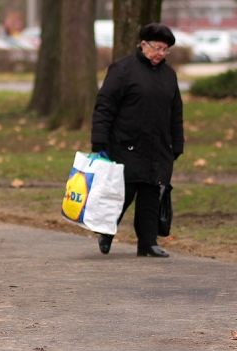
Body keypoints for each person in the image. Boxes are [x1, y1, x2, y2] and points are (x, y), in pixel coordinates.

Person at [90, 23, 184, 258]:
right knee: (123, 193)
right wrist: (99, 139)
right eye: (157, 48)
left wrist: (177, 143)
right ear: (144, 45)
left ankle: (148, 244)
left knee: (152, 193)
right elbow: (105, 106)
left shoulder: (169, 75)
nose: (161, 54)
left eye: (165, 50)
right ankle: (107, 232)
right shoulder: (122, 70)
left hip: (158, 146)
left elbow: (176, 112)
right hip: (126, 143)